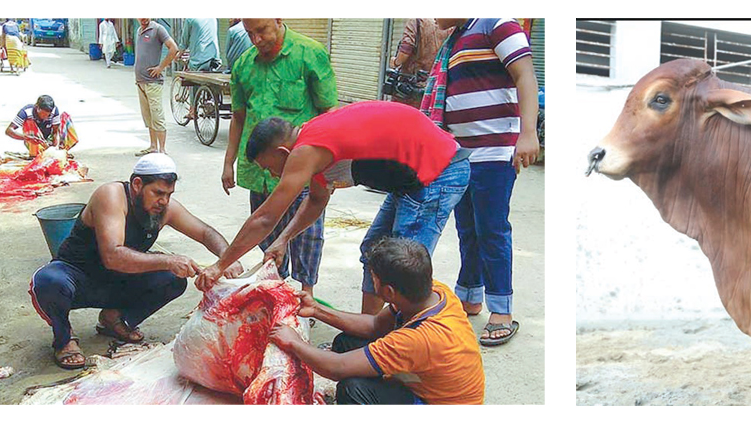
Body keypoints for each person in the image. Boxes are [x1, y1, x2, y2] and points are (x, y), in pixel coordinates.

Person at [198, 101, 470, 316]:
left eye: (270, 168)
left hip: (439, 172)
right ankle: (370, 334)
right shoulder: (316, 149)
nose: (274, 176)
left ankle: (407, 352)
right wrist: (283, 241)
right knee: (374, 253)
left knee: (403, 270)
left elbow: (265, 218)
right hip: (410, 180)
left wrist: (219, 266)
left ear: (283, 152)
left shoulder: (305, 150)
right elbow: (316, 201)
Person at [29, 154, 245, 369]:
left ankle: (114, 319)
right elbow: (113, 256)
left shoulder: (164, 208)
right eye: (158, 193)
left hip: (117, 282)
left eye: (169, 194)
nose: (164, 201)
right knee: (48, 280)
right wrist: (169, 260)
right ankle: (64, 339)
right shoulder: (111, 195)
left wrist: (226, 259)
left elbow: (205, 232)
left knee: (174, 280)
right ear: (137, 184)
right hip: (77, 279)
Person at [423, 19, 541, 346]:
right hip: (461, 153)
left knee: (491, 228)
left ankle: (501, 309)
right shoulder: (457, 38)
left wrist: (528, 133)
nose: (433, 17)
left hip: (495, 150)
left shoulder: (496, 22)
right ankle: (469, 296)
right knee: (468, 229)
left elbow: (525, 75)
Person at [269, 238, 484, 404]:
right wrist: (317, 310)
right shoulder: (431, 291)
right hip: (428, 382)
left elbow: (337, 368)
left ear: (388, 291)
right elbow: (375, 326)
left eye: (373, 277)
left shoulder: (418, 339)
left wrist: (294, 343)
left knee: (353, 389)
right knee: (346, 342)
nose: (371, 280)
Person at [221, 18, 337, 296]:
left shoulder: (309, 54)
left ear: (278, 19)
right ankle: (278, 292)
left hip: (300, 168)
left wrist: (328, 170)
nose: (257, 40)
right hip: (260, 172)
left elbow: (328, 112)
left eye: (262, 30)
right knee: (266, 234)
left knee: (307, 236)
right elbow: (238, 117)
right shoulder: (244, 64)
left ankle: (306, 295)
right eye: (250, 33)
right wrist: (229, 162)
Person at [133, 18, 179, 156]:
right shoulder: (139, 31)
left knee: (157, 115)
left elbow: (174, 48)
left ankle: (162, 150)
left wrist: (161, 67)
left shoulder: (158, 29)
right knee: (148, 116)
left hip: (153, 82)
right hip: (140, 81)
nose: (143, 18)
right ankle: (153, 146)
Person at [387, 18, 452, 107]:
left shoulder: (416, 20)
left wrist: (395, 62)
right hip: (432, 86)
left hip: (408, 88)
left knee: (401, 118)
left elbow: (405, 50)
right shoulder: (446, 24)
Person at [5, 95, 80, 157]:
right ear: (37, 107)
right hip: (33, 140)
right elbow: (9, 131)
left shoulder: (54, 110)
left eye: (48, 115)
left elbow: (55, 131)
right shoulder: (26, 112)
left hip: (47, 141)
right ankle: (34, 152)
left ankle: (62, 152)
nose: (45, 117)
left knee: (65, 117)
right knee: (29, 121)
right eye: (43, 114)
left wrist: (54, 144)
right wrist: (27, 137)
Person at [179, 18, 221, 121]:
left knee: (193, 81)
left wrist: (179, 54)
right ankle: (212, 100)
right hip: (214, 58)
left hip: (199, 58)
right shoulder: (213, 18)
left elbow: (184, 41)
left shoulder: (190, 19)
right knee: (213, 81)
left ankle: (192, 111)